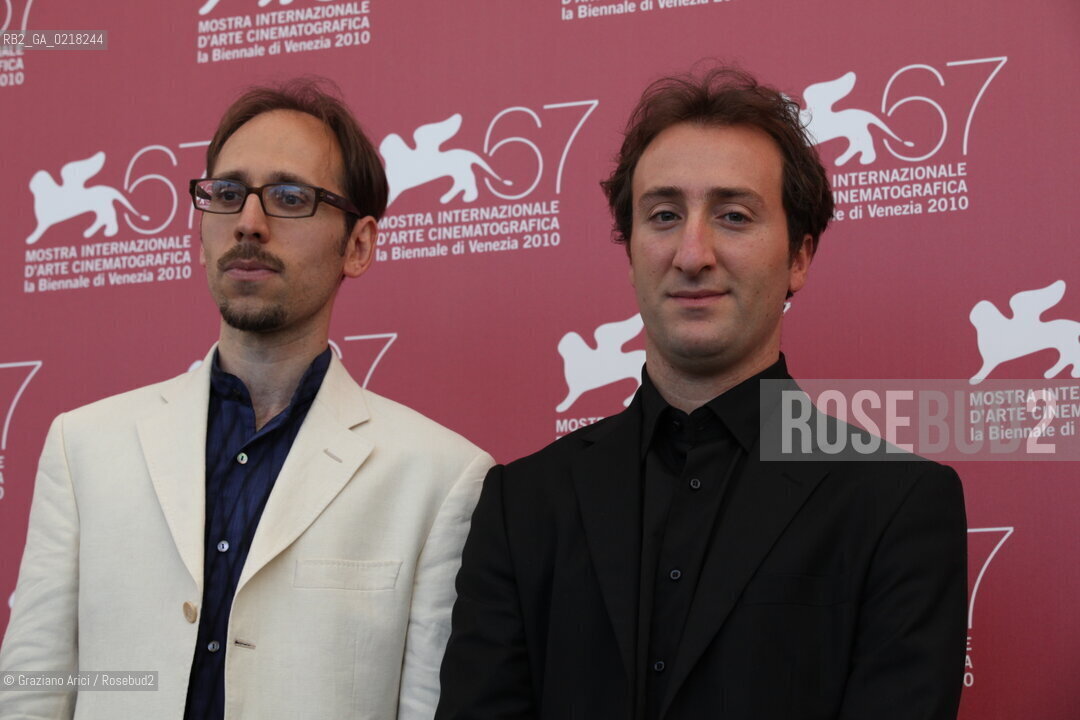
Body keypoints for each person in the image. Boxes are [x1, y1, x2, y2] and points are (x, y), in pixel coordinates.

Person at [436, 66, 967, 720]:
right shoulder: (522, 504)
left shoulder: (896, 505)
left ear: (799, 257)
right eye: (663, 216)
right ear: (630, 251)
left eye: (734, 216)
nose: (692, 254)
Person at [0, 78, 493, 720]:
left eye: (290, 198)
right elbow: (30, 692)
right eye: (227, 194)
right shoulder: (84, 446)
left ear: (358, 244)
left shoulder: (441, 476)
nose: (250, 224)